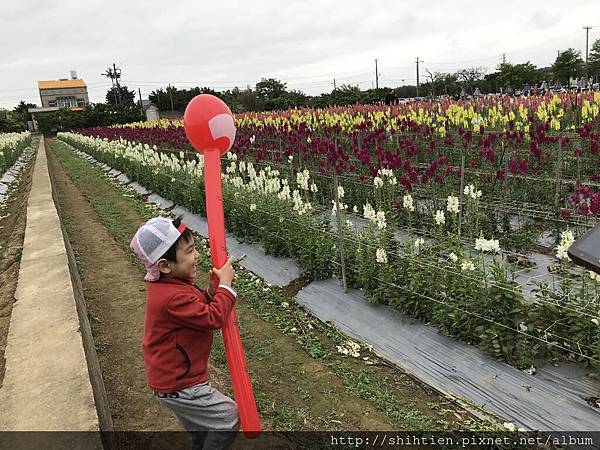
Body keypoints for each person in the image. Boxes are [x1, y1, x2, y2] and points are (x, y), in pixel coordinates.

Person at [130, 217, 239, 449]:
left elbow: (197, 308)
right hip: (181, 384)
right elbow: (213, 318)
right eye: (189, 251)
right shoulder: (172, 297)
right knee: (227, 418)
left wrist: (211, 292)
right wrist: (226, 288)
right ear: (165, 265)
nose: (196, 255)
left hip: (172, 379)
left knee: (199, 432)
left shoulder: (170, 286)